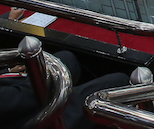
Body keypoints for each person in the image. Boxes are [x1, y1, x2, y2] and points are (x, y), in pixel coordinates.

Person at [0, 48, 129, 129]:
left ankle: (67, 91)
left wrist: (8, 71)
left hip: (9, 89)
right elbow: (25, 97)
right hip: (30, 118)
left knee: (66, 57)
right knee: (119, 80)